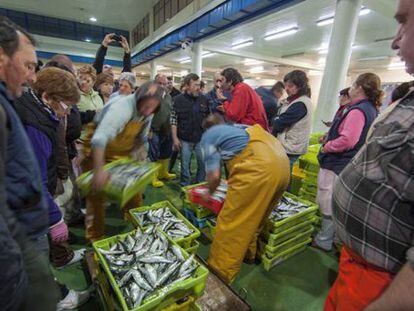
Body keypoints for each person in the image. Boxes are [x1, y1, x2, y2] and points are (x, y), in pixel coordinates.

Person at [325, 1, 414, 310]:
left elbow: (348, 139)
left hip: (382, 282)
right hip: (357, 263)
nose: (394, 39)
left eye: (404, 21)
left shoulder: (359, 110)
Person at [200, 114, 290, 284]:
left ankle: (220, 274)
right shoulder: (241, 127)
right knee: (256, 217)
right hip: (282, 167)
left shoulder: (210, 137)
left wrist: (207, 193)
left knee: (231, 225)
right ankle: (250, 254)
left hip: (259, 172)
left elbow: (214, 178)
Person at [14, 67, 85, 268]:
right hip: (26, 207)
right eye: (66, 105)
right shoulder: (34, 128)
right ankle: (58, 297)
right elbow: (34, 181)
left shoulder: (32, 108)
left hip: (28, 200)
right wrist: (55, 219)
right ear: (47, 97)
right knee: (37, 259)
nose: (67, 111)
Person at [81, 82, 163, 242]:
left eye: (152, 108)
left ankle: (137, 227)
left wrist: (139, 151)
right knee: (96, 194)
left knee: (134, 190)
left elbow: (140, 136)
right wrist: (98, 171)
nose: (147, 111)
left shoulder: (149, 110)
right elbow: (99, 139)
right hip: (98, 149)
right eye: (145, 107)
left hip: (121, 149)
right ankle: (95, 235)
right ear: (138, 99)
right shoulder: (121, 108)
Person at [313, 73, 381, 252]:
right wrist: (330, 135)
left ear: (360, 88)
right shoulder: (369, 108)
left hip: (338, 162)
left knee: (328, 202)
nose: (349, 89)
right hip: (349, 163)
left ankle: (324, 240)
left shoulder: (358, 111)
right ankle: (334, 239)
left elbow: (348, 140)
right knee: (335, 200)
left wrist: (328, 146)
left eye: (352, 85)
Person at [171, 73, 210, 186]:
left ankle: (200, 183)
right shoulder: (177, 100)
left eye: (199, 84)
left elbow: (208, 118)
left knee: (202, 163)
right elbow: (173, 120)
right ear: (187, 85)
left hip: (201, 138)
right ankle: (185, 185)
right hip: (185, 139)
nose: (198, 87)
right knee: (184, 164)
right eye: (195, 85)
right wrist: (175, 139)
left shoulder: (204, 99)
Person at [272, 70, 313, 169]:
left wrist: (276, 119)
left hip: (290, 148)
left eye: (290, 86)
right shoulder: (292, 101)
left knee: (283, 178)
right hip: (288, 146)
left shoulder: (300, 104)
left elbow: (278, 124)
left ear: (300, 86)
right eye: (286, 86)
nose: (286, 89)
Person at [150, 74, 176, 188]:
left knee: (166, 153)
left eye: (164, 84)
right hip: (154, 130)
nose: (162, 86)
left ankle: (163, 173)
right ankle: (153, 177)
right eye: (159, 83)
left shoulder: (168, 97)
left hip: (167, 130)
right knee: (153, 154)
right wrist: (148, 129)